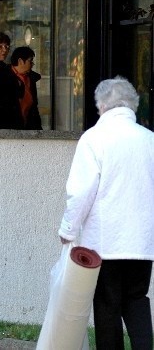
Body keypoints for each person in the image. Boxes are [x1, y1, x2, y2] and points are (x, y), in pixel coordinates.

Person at [58, 77, 154, 350]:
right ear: (132, 105)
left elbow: (81, 191)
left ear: (102, 105)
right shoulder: (149, 140)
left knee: (107, 305)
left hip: (105, 242)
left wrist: (68, 230)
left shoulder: (93, 139)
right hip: (142, 243)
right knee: (136, 299)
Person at [8, 46, 42, 130]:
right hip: (11, 129)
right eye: (30, 61)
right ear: (20, 61)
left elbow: (34, 107)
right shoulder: (5, 77)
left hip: (28, 128)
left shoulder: (31, 79)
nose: (32, 64)